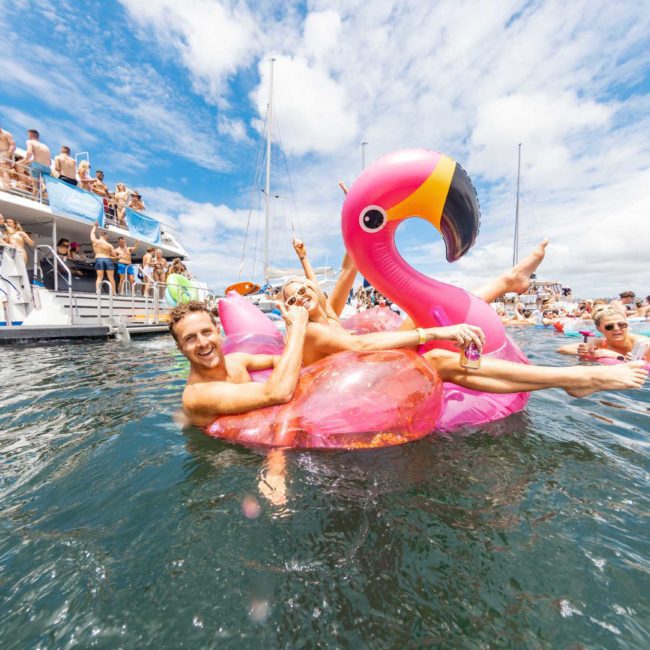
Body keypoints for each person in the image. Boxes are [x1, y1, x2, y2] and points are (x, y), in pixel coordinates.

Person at [277, 276, 647, 399]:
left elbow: (347, 269)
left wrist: (359, 219)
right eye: (289, 297)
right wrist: (436, 332)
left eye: (303, 290)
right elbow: (357, 347)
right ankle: (575, 379)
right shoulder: (306, 329)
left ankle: (500, 288)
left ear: (317, 292)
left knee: (424, 329)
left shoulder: (329, 316)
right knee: (435, 360)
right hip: (340, 393)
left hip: (362, 372)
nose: (298, 298)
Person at [172, 300, 309, 427]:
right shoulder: (198, 395)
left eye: (206, 332)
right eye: (190, 338)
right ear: (180, 348)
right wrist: (298, 327)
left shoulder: (236, 360)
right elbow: (278, 393)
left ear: (219, 332)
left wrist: (295, 371)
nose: (202, 343)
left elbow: (273, 359)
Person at [557, 305, 650, 362]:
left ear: (627, 325)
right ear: (599, 329)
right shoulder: (599, 344)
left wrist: (618, 357)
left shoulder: (643, 344)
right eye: (609, 327)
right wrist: (584, 352)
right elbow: (562, 349)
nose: (617, 329)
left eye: (621, 325)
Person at [90, 221, 118, 293]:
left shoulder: (95, 241)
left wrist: (95, 227)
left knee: (99, 277)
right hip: (107, 259)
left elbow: (92, 233)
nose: (108, 237)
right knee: (111, 277)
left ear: (100, 235)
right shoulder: (109, 245)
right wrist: (110, 254)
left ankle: (97, 291)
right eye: (107, 236)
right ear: (105, 236)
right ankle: (114, 292)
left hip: (99, 259)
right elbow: (115, 255)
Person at [23, 129, 51, 198]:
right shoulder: (45, 146)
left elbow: (29, 153)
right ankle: (44, 197)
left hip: (37, 166)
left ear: (31, 135)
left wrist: (26, 160)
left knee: (36, 186)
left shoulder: (30, 142)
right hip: (47, 168)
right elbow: (50, 162)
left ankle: (33, 198)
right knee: (45, 185)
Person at [0, 125, 16, 190]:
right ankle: (6, 186)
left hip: (6, 153)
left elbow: (13, 146)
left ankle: (8, 187)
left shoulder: (6, 134)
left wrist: (8, 156)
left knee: (4, 170)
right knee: (1, 171)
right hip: (1, 153)